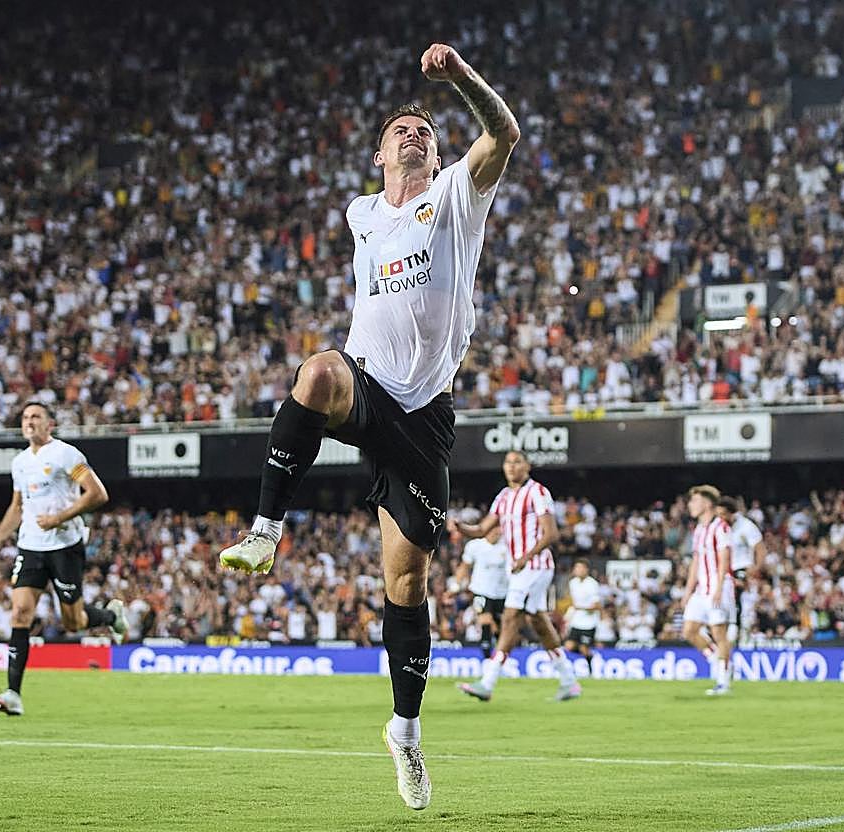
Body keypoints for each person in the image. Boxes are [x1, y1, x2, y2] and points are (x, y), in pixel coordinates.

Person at [216, 42, 519, 810]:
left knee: (407, 583)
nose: (414, 135)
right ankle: (264, 531)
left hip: (424, 417)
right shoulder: (360, 214)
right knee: (317, 372)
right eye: (400, 131)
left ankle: (405, 733)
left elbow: (504, 133)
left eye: (425, 131)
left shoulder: (456, 194)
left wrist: (458, 79)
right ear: (379, 156)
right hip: (368, 386)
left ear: (438, 154)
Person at [0, 402, 127, 716]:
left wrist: (59, 518)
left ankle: (110, 616)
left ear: (50, 424)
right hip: (30, 546)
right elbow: (17, 507)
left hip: (65, 546)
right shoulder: (19, 462)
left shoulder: (65, 454)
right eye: (25, 417)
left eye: (36, 417)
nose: (29, 421)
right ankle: (13, 694)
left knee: (73, 622)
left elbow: (97, 494)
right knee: (20, 613)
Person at [453, 451, 581, 703]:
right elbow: (482, 529)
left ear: (527, 466)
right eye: (508, 462)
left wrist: (525, 556)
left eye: (517, 462)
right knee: (538, 622)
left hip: (536, 566)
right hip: (520, 569)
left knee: (511, 616)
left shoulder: (537, 492)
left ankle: (487, 682)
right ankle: (569, 681)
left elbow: (551, 534)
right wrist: (460, 527)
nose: (512, 467)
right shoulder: (503, 496)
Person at [681, 484, 735, 696]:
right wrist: (688, 591)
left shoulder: (721, 527)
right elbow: (696, 562)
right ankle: (717, 660)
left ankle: (723, 682)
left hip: (719, 586)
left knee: (718, 632)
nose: (690, 505)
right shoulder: (699, 530)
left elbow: (724, 559)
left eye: (694, 500)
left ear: (707, 503)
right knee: (689, 630)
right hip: (701, 588)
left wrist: (719, 587)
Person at [717, 496, 765, 637]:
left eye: (723, 514)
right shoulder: (720, 528)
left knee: (741, 606)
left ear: (731, 513)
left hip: (742, 569)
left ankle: (742, 634)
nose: (720, 518)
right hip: (725, 571)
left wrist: (755, 569)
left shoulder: (746, 526)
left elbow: (761, 550)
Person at [462, 525, 509, 658]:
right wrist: (458, 584)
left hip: (501, 593)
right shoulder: (475, 546)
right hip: (480, 591)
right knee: (485, 621)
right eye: (494, 529)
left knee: (500, 626)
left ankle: (500, 656)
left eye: (499, 529)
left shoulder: (506, 547)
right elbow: (465, 566)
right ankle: (487, 656)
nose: (497, 532)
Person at [564, 558, 601, 673]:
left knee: (584, 648)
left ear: (586, 570)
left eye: (580, 568)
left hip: (589, 623)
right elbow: (573, 602)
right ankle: (590, 656)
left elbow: (596, 606)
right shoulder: (573, 583)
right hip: (576, 621)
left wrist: (580, 608)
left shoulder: (592, 584)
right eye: (576, 568)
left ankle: (590, 666)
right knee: (568, 646)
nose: (578, 570)